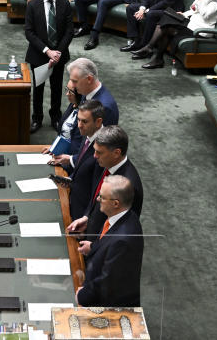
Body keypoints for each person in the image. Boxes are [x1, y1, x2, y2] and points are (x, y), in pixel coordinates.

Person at [73, 175, 143, 307]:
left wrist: (82, 296)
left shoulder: (123, 241)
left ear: (115, 203)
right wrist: (94, 247)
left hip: (108, 307)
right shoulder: (125, 217)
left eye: (102, 197)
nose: (98, 199)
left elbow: (107, 282)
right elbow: (108, 242)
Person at [66, 126, 143, 237]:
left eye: (99, 152)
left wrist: (94, 245)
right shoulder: (106, 163)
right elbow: (96, 196)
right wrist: (87, 218)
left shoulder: (129, 186)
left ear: (116, 153)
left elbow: (120, 229)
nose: (94, 156)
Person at [135, 0, 217, 69]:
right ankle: (153, 53)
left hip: (200, 30)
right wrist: (184, 14)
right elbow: (193, 7)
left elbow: (206, 15)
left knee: (165, 27)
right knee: (166, 18)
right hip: (191, 23)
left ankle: (151, 51)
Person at [25, 0, 72, 133]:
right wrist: (47, 51)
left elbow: (69, 32)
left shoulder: (65, 4)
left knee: (57, 87)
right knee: (38, 88)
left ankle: (56, 118)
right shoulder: (33, 5)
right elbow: (29, 32)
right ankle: (37, 118)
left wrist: (57, 52)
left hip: (59, 55)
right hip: (39, 54)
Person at [48, 100, 104, 217]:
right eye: (78, 119)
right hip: (74, 200)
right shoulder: (88, 133)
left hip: (83, 212)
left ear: (98, 122)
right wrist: (69, 179)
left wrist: (86, 217)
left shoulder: (102, 150)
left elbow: (97, 190)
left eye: (84, 121)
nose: (79, 125)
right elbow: (83, 163)